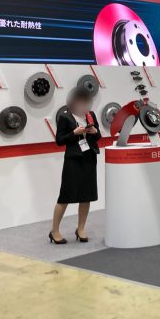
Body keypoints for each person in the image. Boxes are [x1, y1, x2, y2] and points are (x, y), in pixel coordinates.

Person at [49, 88, 101, 244]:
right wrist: (74, 133)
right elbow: (59, 140)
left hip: (89, 158)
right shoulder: (65, 116)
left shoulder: (91, 115)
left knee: (86, 196)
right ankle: (54, 231)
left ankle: (81, 229)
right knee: (65, 196)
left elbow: (98, 136)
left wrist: (94, 131)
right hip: (73, 160)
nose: (83, 104)